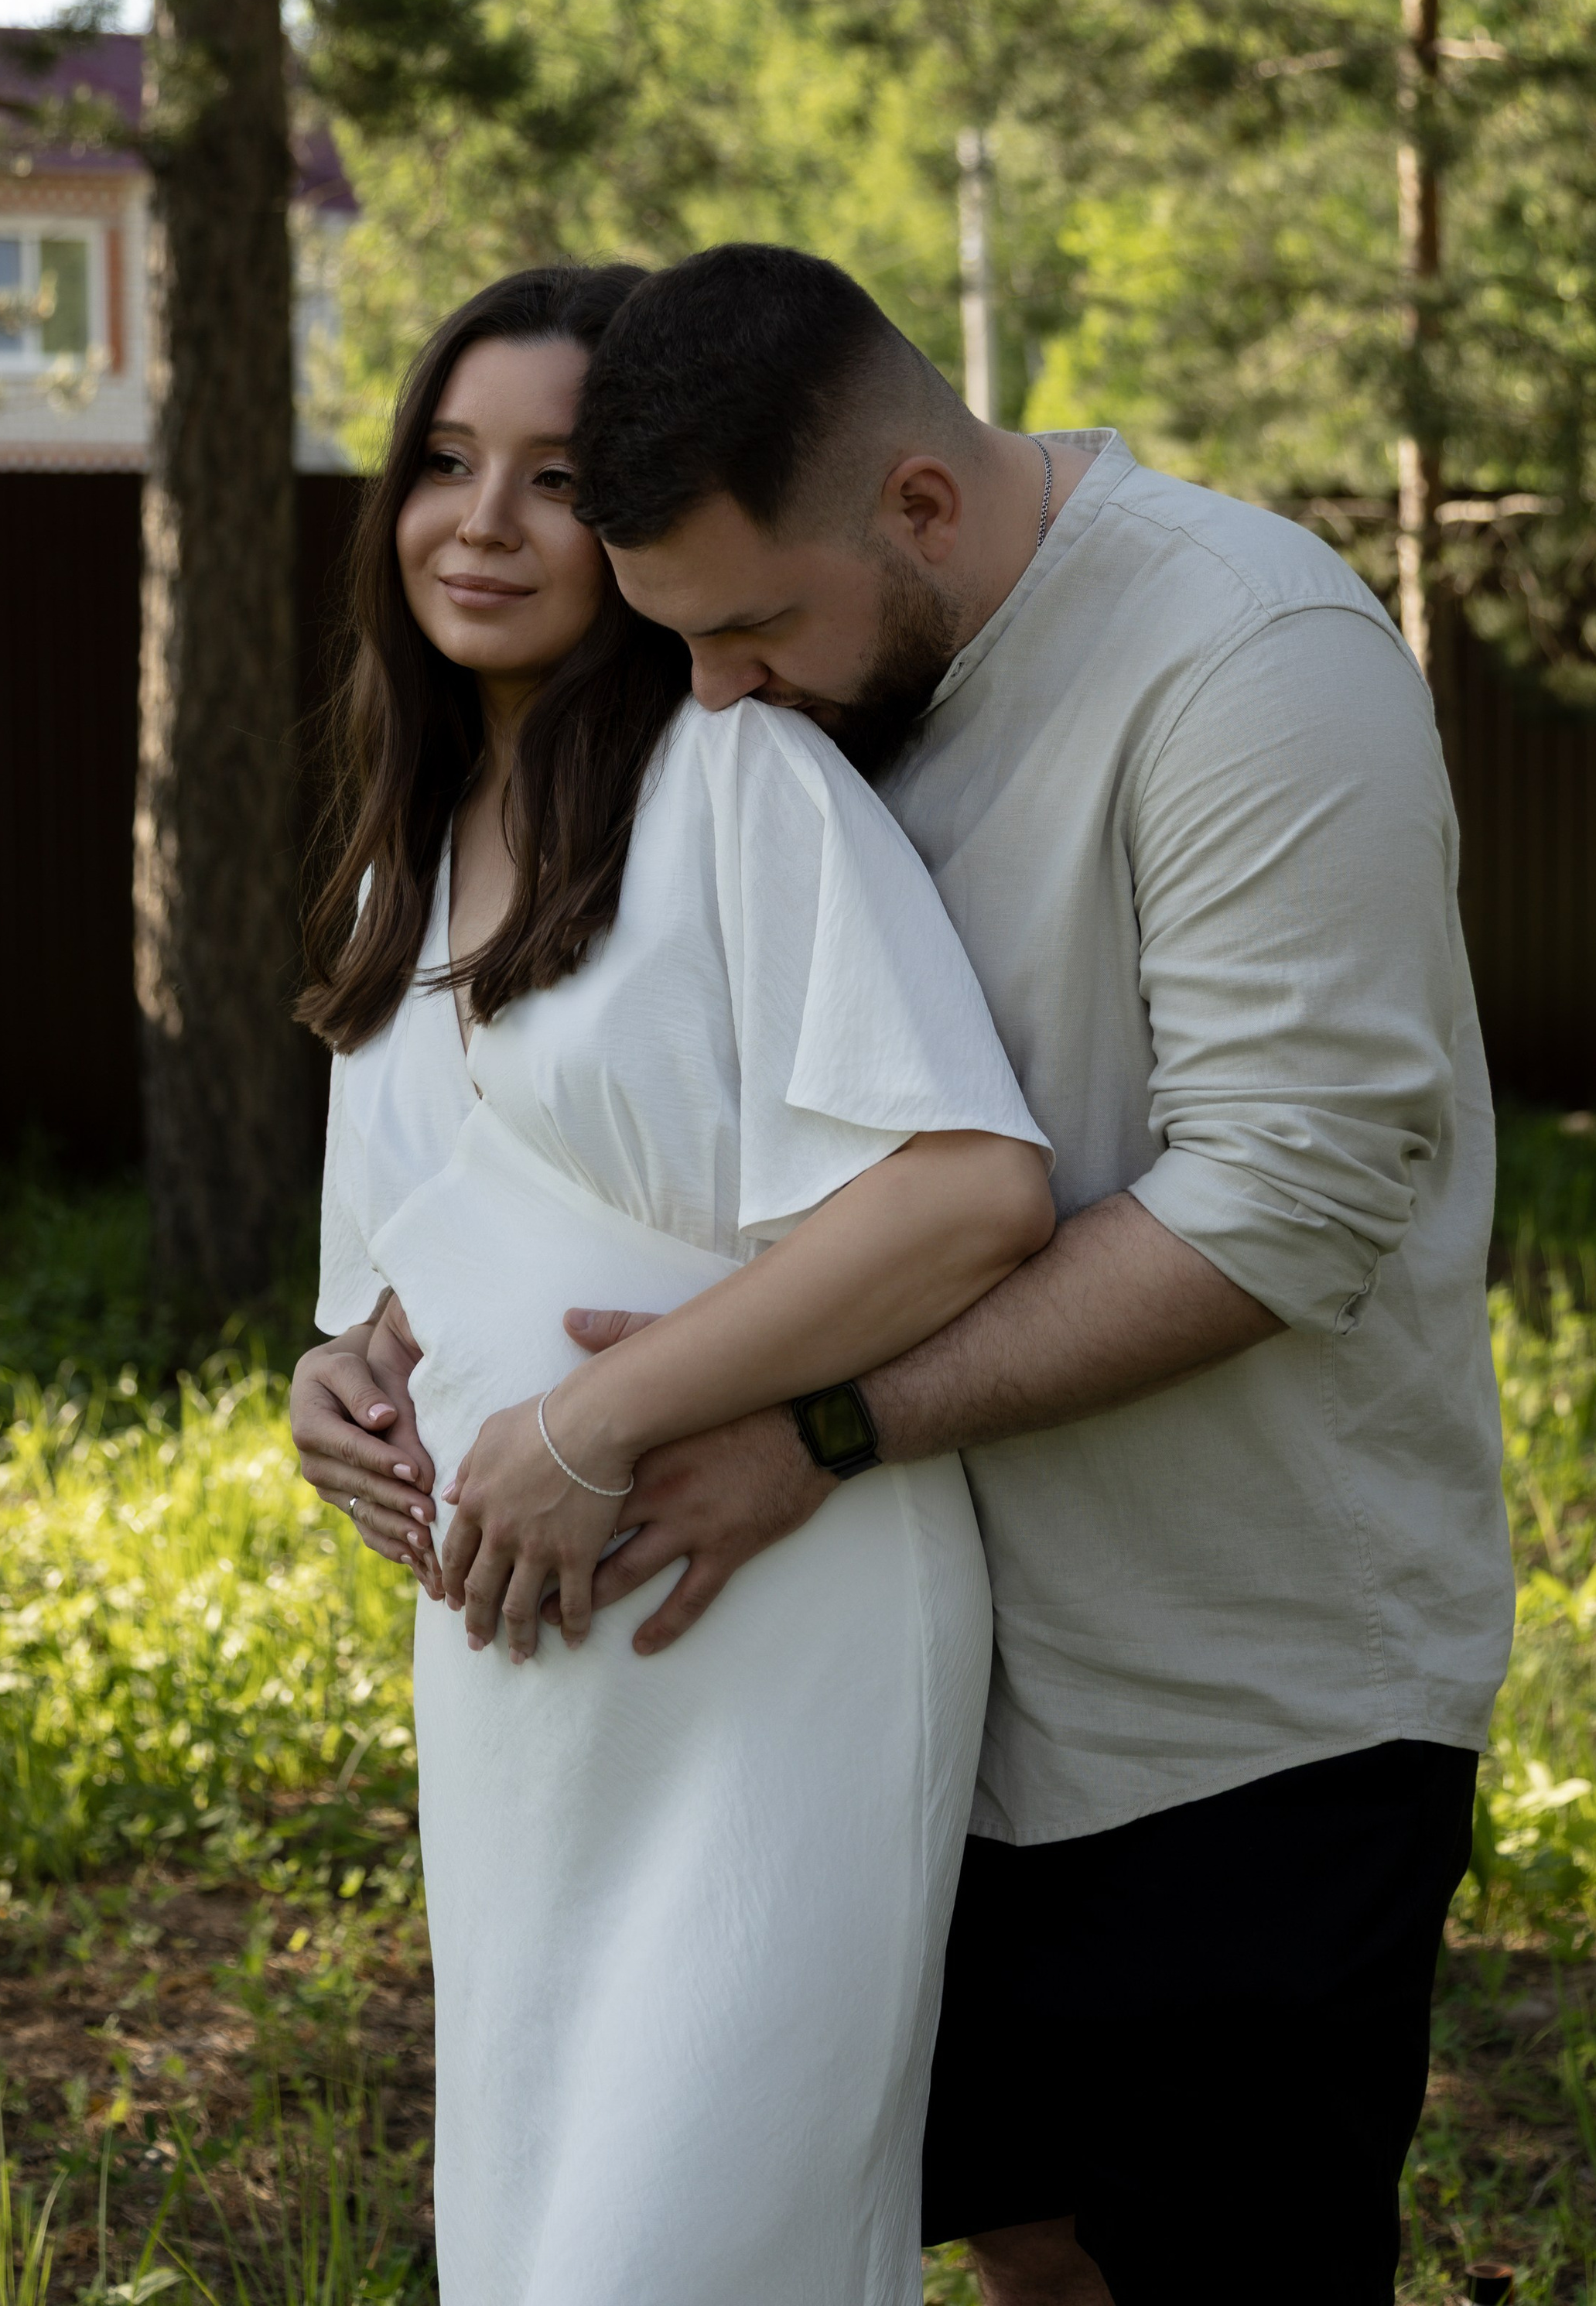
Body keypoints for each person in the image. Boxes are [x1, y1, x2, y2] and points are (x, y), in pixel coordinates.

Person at [550, 241, 1517, 2306]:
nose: (715, 692)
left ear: (916, 504)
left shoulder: (1246, 652)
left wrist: (828, 1423)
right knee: (1039, 2258)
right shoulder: (845, 676)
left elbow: (1294, 1197)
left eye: (744, 627)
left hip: (1250, 1716)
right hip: (939, 1707)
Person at [287, 262, 1054, 2306]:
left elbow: (970, 1192)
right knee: (542, 2227)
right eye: (447, 464)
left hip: (763, 1613)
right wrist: (331, 1392)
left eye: (554, 480)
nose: (484, 522)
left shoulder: (738, 790)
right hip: (522, 1659)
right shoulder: (406, 857)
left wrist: (585, 1425)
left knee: (697, 2235)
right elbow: (392, 1271)